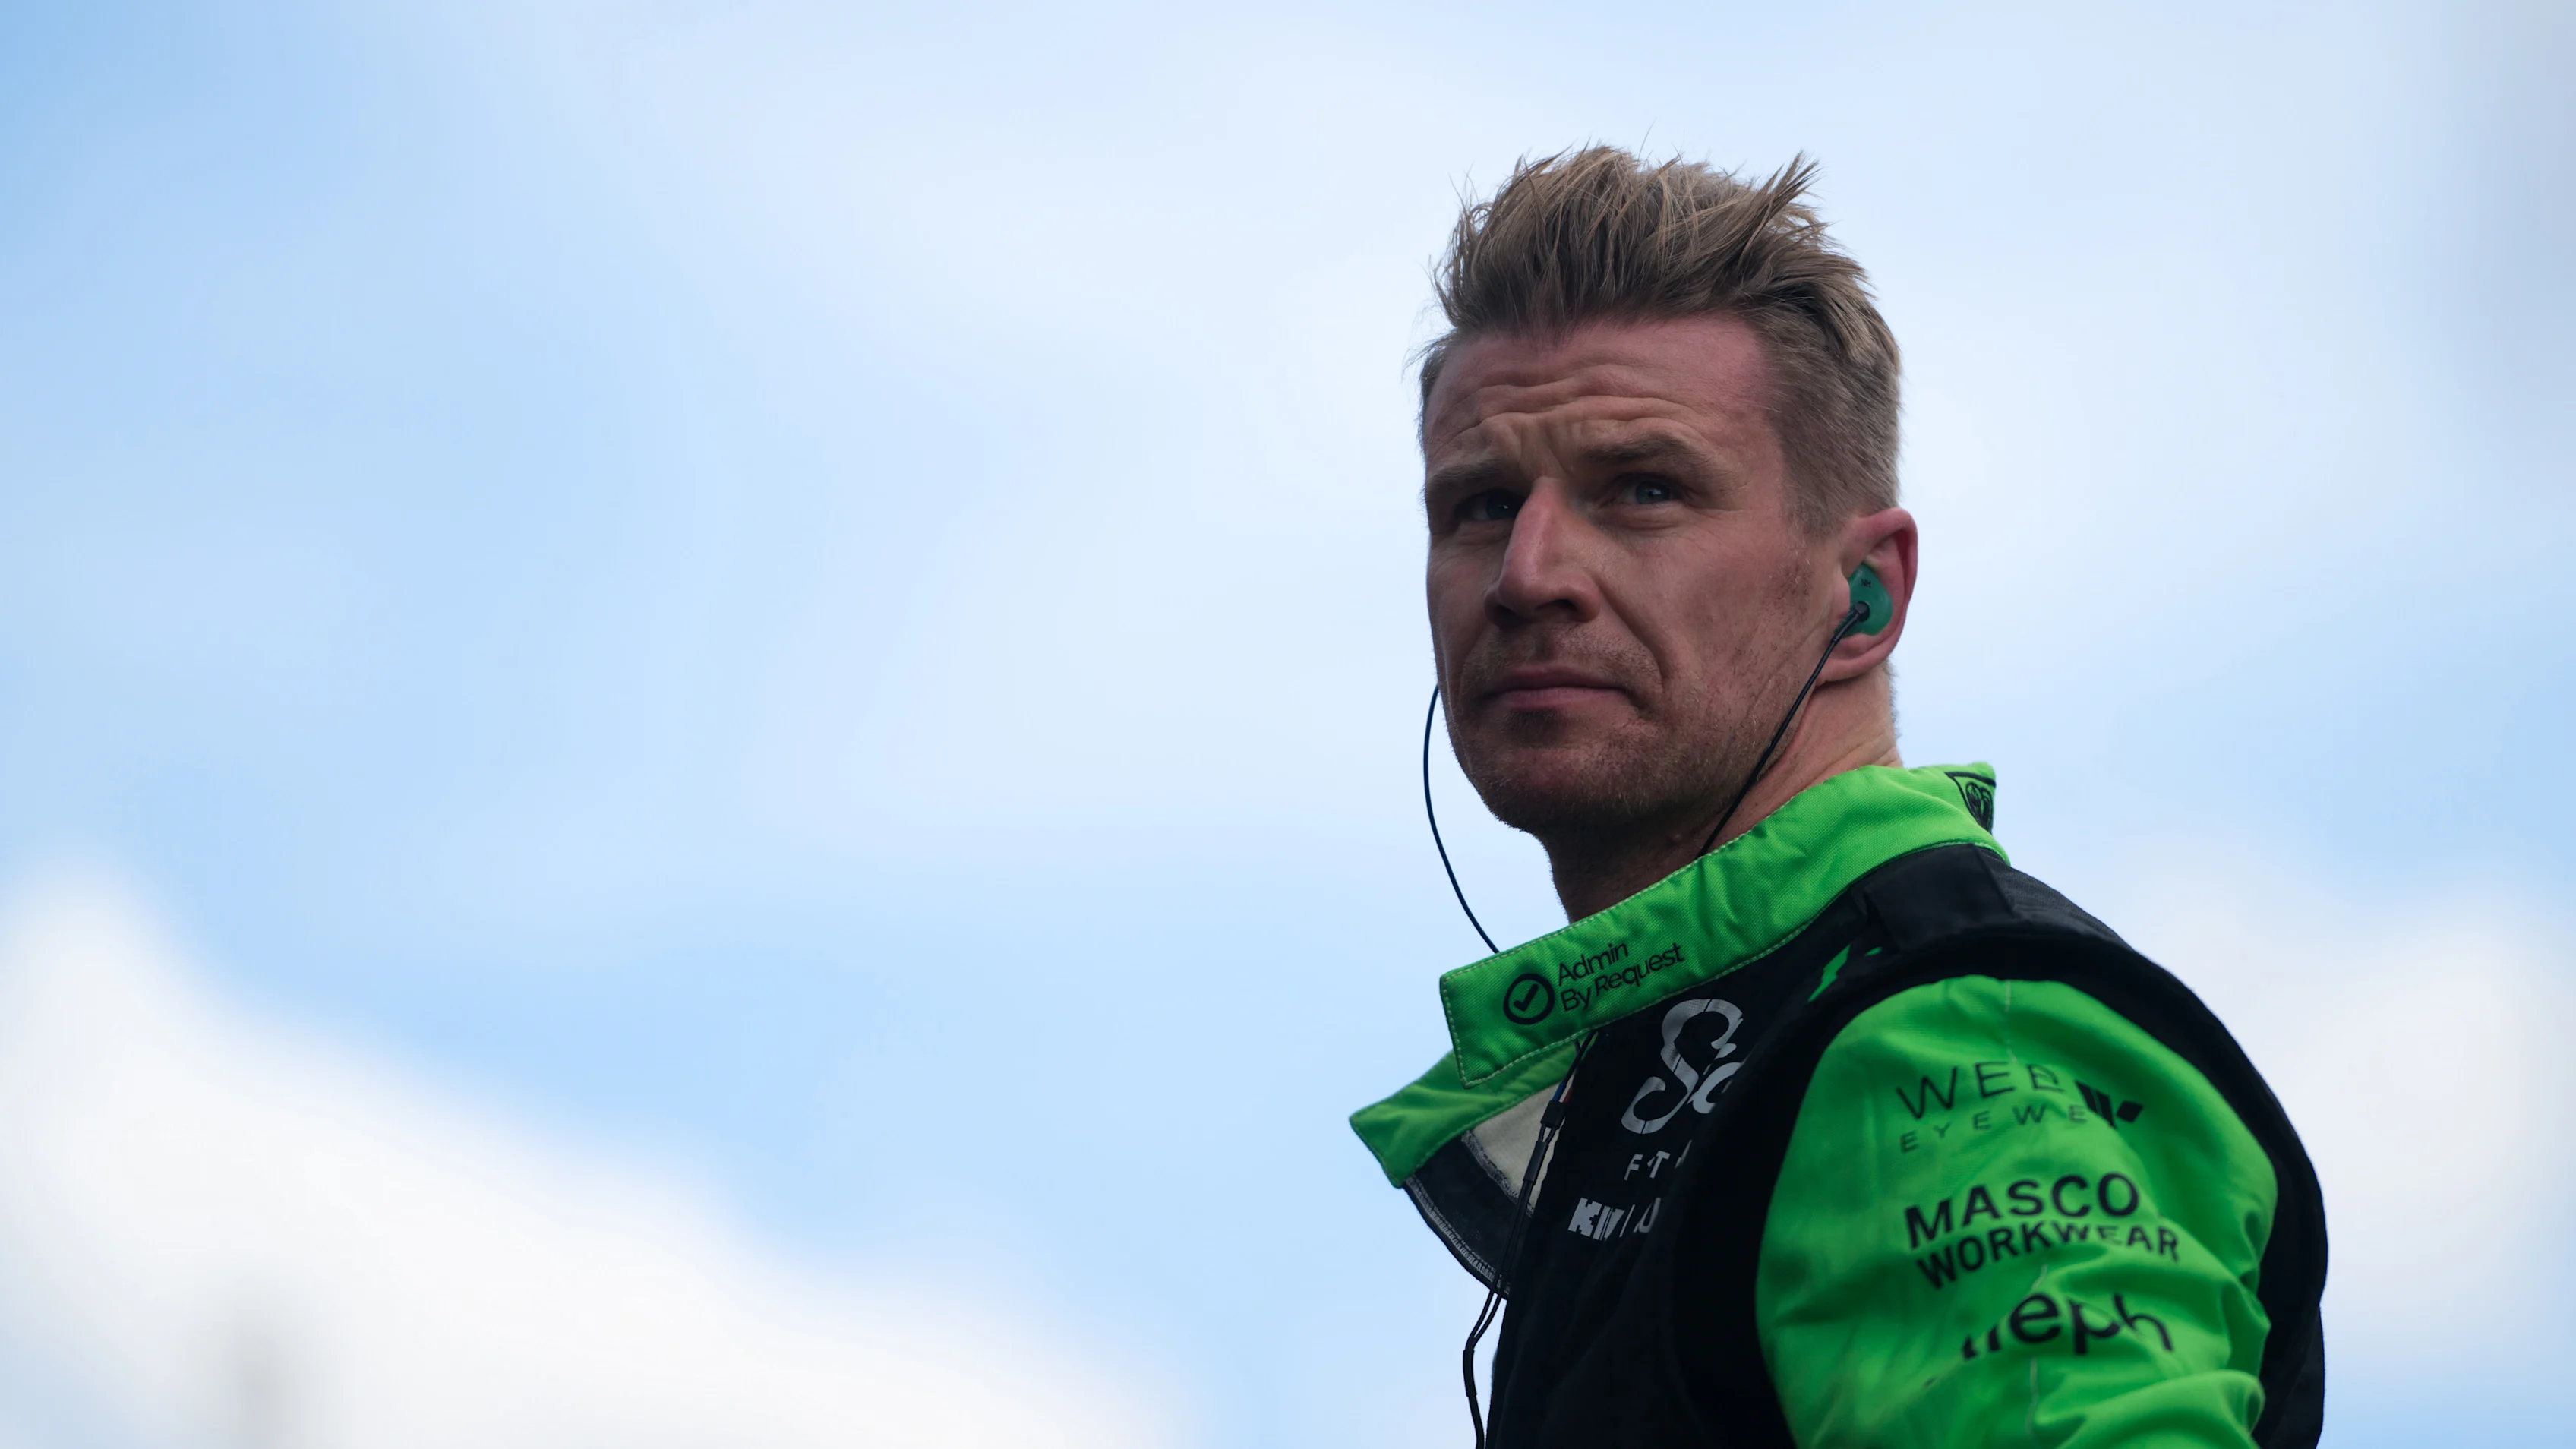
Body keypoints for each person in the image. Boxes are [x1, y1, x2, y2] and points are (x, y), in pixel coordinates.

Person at [1349, 148, 2325, 1449]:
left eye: (1644, 490)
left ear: (1863, 597)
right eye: (1479, 506)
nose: (1529, 575)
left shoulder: (1950, 1045)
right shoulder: (1734, 1042)